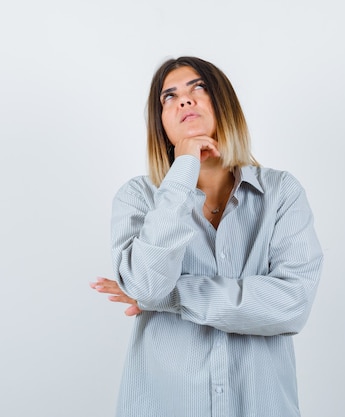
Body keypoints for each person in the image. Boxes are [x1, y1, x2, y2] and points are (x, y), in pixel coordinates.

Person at [90, 56, 323, 417]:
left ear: (224, 103)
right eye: (169, 96)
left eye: (198, 87)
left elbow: (290, 305)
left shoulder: (281, 192)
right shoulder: (137, 197)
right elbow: (148, 286)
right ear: (161, 124)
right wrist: (184, 170)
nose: (184, 100)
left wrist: (171, 296)